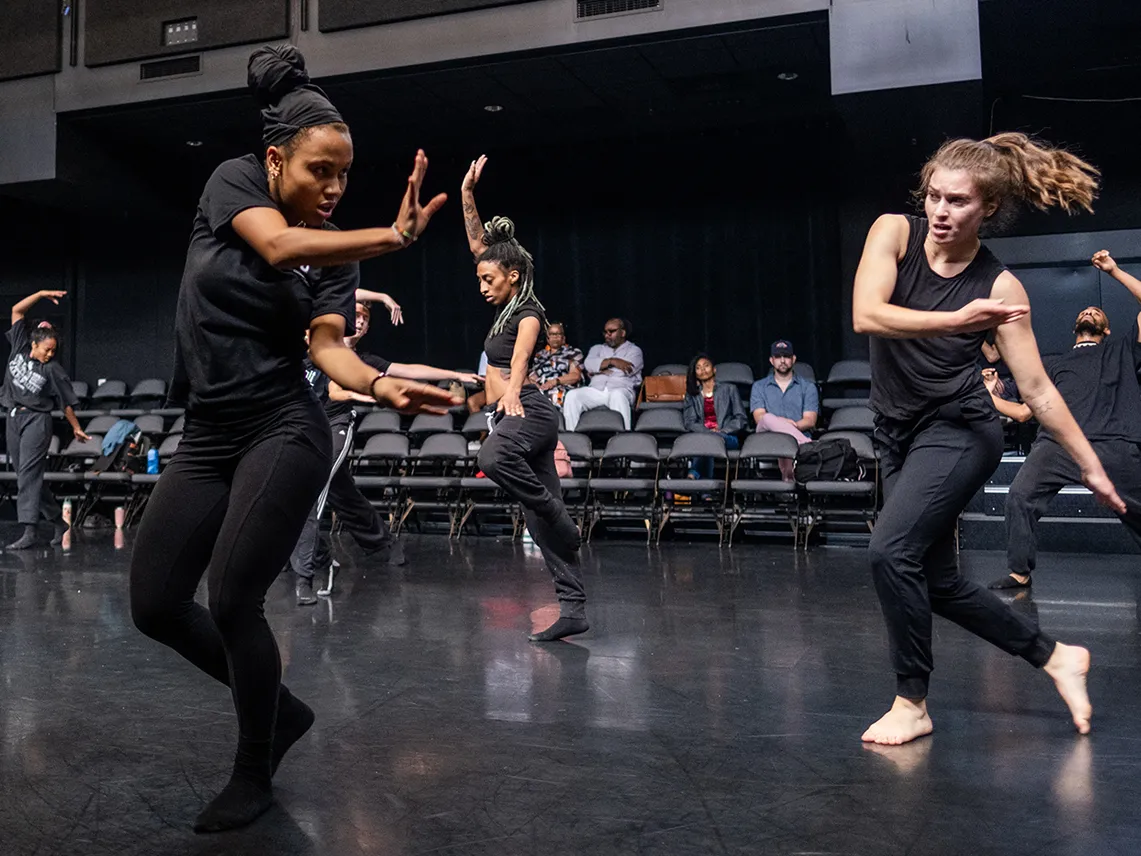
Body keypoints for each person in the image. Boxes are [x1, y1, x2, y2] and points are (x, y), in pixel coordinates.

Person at [128, 44, 456, 833]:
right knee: (154, 604)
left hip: (283, 426)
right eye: (320, 171)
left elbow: (327, 348)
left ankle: (254, 765)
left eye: (344, 174)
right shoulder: (233, 183)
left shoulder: (334, 257)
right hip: (209, 430)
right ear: (276, 161)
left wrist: (378, 383)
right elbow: (273, 245)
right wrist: (390, 237)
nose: (334, 188)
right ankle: (284, 709)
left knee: (234, 597)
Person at [852, 132, 1124, 746]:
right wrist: (956, 321)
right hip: (894, 430)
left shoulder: (1001, 289)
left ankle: (912, 701)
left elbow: (1039, 391)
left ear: (989, 210)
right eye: (933, 197)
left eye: (957, 202)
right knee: (937, 581)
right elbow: (867, 314)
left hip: (958, 429)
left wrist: (1091, 465)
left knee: (889, 552)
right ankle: (1057, 657)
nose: (940, 212)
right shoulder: (894, 232)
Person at [462, 154, 586, 641]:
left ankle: (557, 513)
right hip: (511, 413)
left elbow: (519, 363)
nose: (482, 286)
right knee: (537, 520)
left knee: (493, 457)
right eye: (479, 279)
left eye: (488, 279)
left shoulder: (529, 313)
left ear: (513, 274)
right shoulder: (503, 290)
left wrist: (511, 393)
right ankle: (573, 607)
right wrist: (468, 193)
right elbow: (479, 246)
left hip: (529, 411)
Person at [293, 294, 481, 604]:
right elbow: (342, 292)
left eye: (366, 319)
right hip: (303, 427)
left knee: (312, 489)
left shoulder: (366, 361)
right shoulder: (316, 347)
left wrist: (454, 375)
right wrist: (382, 298)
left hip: (335, 426)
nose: (361, 321)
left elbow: (408, 370)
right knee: (343, 494)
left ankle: (308, 571)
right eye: (356, 315)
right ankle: (381, 543)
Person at [988, 249, 1141, 590]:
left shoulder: (1123, 350)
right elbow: (1027, 411)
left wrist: (1114, 271)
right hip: (1056, 444)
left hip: (1112, 440)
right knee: (1020, 495)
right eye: (1085, 311)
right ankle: (1019, 572)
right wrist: (990, 397)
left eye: (1096, 312)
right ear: (1075, 326)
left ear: (1107, 327)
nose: (1089, 312)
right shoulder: (1053, 364)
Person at [2, 292, 90, 549]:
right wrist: (40, 294)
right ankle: (57, 520)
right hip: (13, 417)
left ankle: (30, 531)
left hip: (37, 421)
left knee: (28, 476)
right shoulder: (19, 344)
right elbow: (17, 311)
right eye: (47, 349)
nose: (50, 354)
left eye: (54, 350)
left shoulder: (52, 370)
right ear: (34, 344)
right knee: (25, 476)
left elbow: (66, 403)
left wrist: (76, 428)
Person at [749, 339, 818, 479]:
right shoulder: (759, 386)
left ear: (793, 359)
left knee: (786, 442)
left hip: (795, 436)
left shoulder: (808, 387)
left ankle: (788, 482)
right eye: (778, 357)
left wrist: (788, 430)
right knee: (767, 418)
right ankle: (807, 444)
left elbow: (810, 420)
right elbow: (759, 418)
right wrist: (784, 423)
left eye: (786, 357)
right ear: (771, 360)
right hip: (767, 436)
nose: (782, 360)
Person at [563, 318, 643, 431]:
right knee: (573, 395)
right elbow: (588, 365)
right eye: (605, 332)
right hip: (597, 390)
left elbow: (626, 371)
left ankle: (624, 438)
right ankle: (573, 437)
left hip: (622, 389)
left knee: (617, 395)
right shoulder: (597, 348)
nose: (607, 335)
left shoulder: (634, 350)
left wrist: (599, 368)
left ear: (623, 333)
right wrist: (613, 361)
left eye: (612, 331)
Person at [682, 354, 747, 479]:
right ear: (695, 373)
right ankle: (707, 495)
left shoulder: (729, 389)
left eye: (706, 366)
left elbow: (741, 418)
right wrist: (708, 432)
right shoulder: (692, 395)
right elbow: (689, 422)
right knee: (708, 443)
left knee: (708, 441)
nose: (703, 370)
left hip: (728, 437)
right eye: (698, 368)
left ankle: (693, 474)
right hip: (703, 437)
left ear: (714, 369)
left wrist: (722, 431)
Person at [529, 321, 584, 408]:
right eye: (552, 334)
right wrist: (535, 384)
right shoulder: (539, 356)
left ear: (563, 338)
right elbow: (532, 376)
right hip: (540, 390)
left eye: (558, 334)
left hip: (563, 389)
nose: (555, 337)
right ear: (547, 338)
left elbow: (575, 376)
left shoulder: (573, 352)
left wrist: (554, 382)